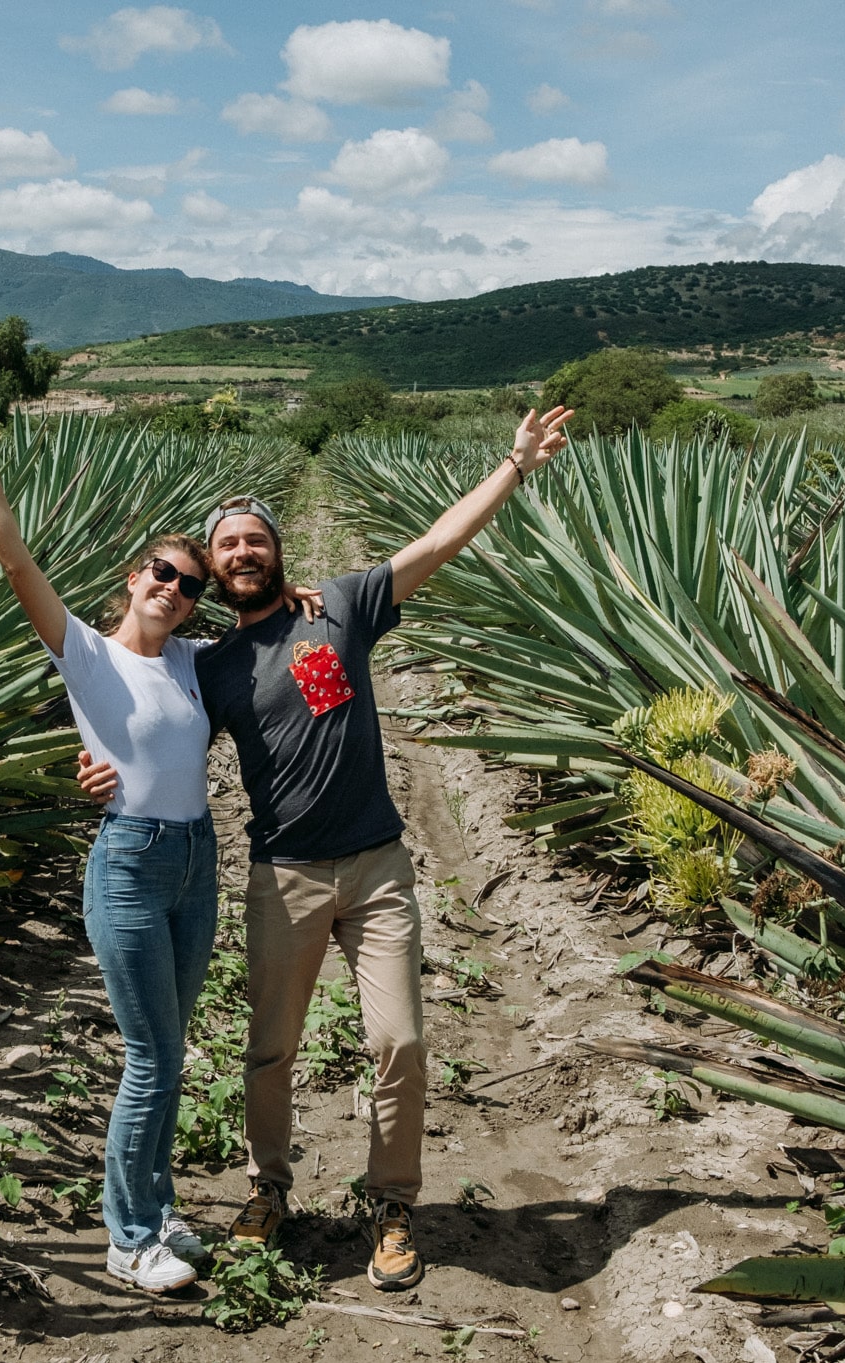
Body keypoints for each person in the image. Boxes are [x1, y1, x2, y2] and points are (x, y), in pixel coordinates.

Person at [79, 405, 573, 1292]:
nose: (238, 553)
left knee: (401, 1042)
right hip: (285, 873)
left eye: (251, 539)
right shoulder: (209, 665)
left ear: (276, 552)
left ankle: (392, 1207)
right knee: (270, 1049)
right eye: (222, 546)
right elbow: (136, 703)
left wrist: (516, 464)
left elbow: (437, 542)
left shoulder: (340, 605)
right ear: (213, 572)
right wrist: (97, 770)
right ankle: (269, 1188)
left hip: (377, 867)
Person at [0, 398, 322, 1294]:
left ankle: (158, 1202)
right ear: (131, 576)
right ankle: (129, 1235)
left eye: (189, 582)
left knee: (173, 1041)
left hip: (196, 862)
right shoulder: (84, 652)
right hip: (129, 863)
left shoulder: (191, 660)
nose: (175, 587)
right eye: (162, 571)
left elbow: (263, 632)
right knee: (150, 1055)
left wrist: (302, 600)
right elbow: (14, 560)